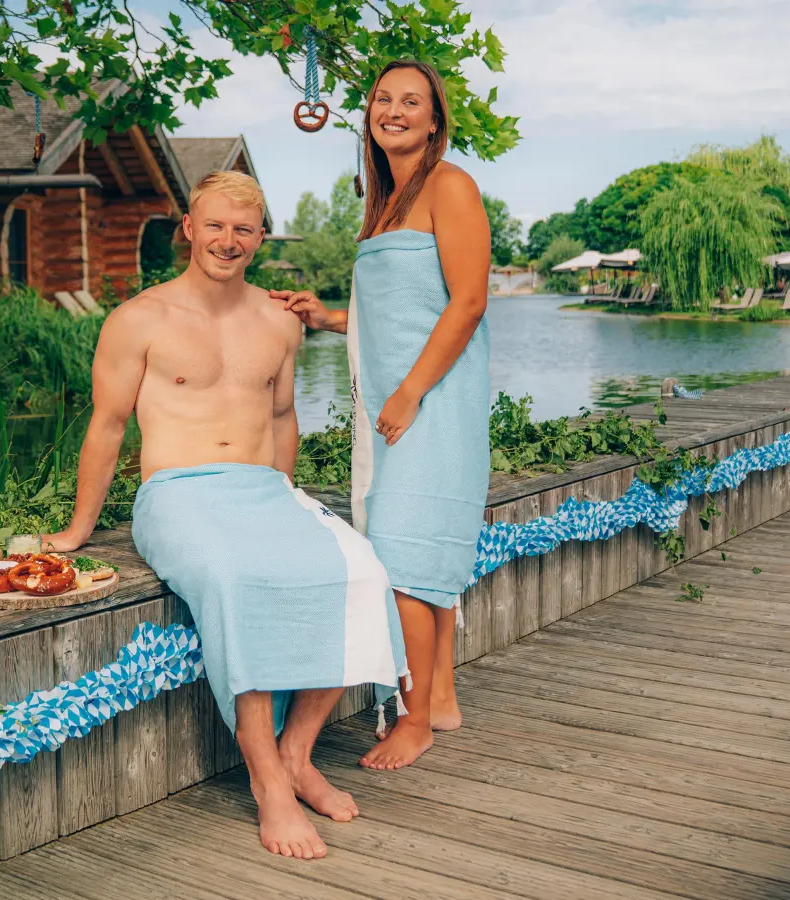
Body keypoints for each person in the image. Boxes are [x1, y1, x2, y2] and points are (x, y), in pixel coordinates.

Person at [42, 171, 407, 860]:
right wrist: (78, 530)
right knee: (238, 579)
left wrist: (287, 504)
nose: (227, 240)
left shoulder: (277, 321)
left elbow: (281, 419)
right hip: (176, 495)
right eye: (215, 225)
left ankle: (298, 753)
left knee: (359, 569)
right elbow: (108, 426)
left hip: (261, 491)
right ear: (188, 227)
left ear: (260, 238)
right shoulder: (139, 319)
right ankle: (266, 774)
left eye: (243, 229)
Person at [274, 60, 491, 770]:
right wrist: (329, 317)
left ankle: (415, 718)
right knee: (421, 552)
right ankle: (446, 696)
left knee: (399, 560)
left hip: (431, 402)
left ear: (435, 120)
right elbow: (396, 313)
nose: (392, 110)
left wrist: (409, 393)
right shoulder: (387, 200)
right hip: (396, 405)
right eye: (381, 99)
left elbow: (467, 304)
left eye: (411, 102)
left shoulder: (450, 186)